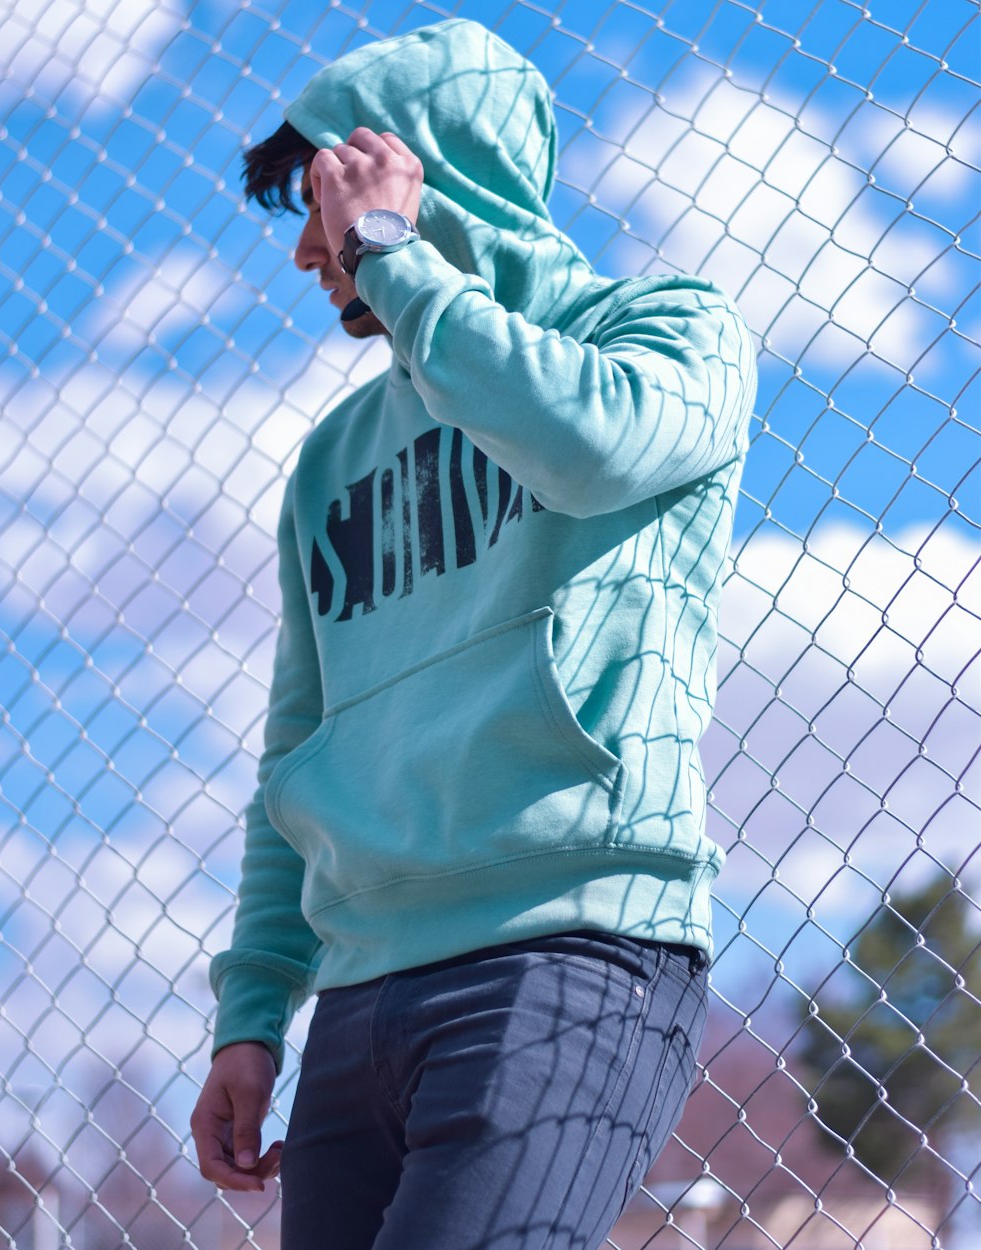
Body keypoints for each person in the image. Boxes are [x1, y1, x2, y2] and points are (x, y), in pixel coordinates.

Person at [190, 16, 756, 1249]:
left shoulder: (664, 326)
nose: (310, 248)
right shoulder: (333, 458)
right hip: (357, 991)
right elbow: (300, 741)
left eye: (329, 199)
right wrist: (252, 1014)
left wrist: (394, 252)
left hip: (567, 949)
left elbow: (594, 446)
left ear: (420, 181)